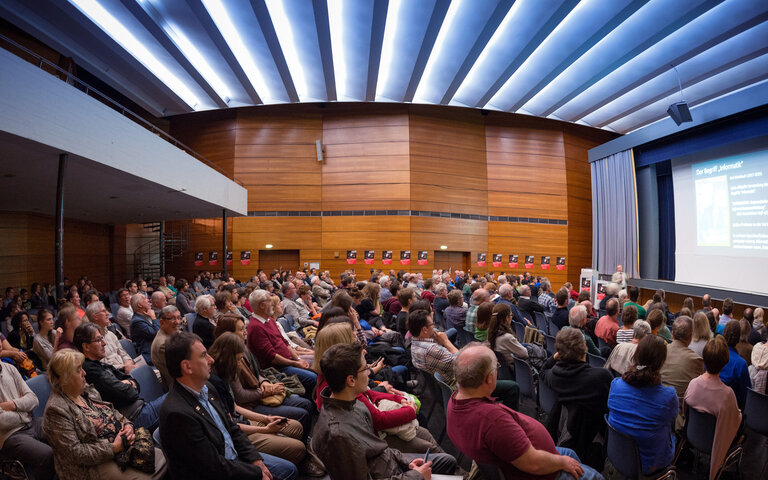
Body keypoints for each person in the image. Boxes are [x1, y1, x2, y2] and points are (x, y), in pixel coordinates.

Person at [447, 344, 603, 480]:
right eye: (496, 368)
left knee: (569, 453)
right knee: (595, 476)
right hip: (540, 473)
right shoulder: (492, 421)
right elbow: (533, 464)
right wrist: (561, 462)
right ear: (489, 378)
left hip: (533, 456)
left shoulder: (456, 400)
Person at [159, 332, 297, 480]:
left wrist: (255, 460)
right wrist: (256, 473)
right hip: (219, 471)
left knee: (289, 469)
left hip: (233, 459)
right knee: (287, 471)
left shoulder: (208, 387)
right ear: (187, 367)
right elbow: (212, 467)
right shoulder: (177, 414)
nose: (211, 360)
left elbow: (232, 427)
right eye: (203, 355)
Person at [312, 342, 457, 479]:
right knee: (446, 462)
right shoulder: (338, 435)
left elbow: (379, 448)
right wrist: (416, 476)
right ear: (351, 380)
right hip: (387, 473)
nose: (369, 372)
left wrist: (406, 462)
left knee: (447, 460)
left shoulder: (352, 401)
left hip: (390, 464)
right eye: (365, 369)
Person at [44, 349, 166, 480]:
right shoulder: (56, 410)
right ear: (64, 377)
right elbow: (76, 453)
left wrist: (128, 426)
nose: (84, 373)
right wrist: (114, 448)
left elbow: (113, 412)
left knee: (164, 459)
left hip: (119, 445)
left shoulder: (86, 391)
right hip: (93, 466)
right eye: (78, 370)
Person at [208, 332, 306, 465]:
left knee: (297, 427)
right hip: (238, 433)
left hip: (243, 420)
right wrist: (266, 429)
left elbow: (235, 406)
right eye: (237, 360)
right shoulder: (214, 382)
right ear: (226, 357)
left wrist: (266, 419)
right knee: (297, 447)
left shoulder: (226, 372)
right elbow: (230, 424)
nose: (238, 364)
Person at [409, 307, 520, 410]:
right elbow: (463, 363)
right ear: (424, 329)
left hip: (447, 385)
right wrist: (446, 342)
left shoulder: (414, 343)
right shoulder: (431, 350)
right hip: (462, 387)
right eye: (432, 325)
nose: (434, 327)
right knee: (512, 387)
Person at [540, 328, 613, 467]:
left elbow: (543, 371)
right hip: (595, 438)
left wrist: (555, 357)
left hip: (568, 437)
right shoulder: (601, 377)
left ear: (560, 353)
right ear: (584, 349)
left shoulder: (555, 376)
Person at [607, 335, 678, 475]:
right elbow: (670, 422)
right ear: (662, 362)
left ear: (636, 355)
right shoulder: (668, 396)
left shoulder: (615, 385)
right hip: (650, 464)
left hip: (616, 453)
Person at [74, 323, 166, 430]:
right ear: (86, 346)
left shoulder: (100, 364)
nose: (104, 343)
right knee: (175, 399)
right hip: (132, 420)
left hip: (140, 408)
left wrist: (129, 383)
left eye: (102, 338)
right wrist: (129, 384)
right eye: (99, 340)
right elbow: (130, 394)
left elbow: (133, 381)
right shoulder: (91, 371)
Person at [684, 336, 742, 480]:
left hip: (692, 436)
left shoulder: (693, 383)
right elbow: (734, 421)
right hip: (713, 442)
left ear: (704, 358)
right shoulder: (727, 395)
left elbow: (686, 411)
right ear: (725, 361)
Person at [247, 289, 316, 396]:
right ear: (261, 305)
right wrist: (296, 363)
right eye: (270, 301)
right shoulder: (256, 327)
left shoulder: (269, 320)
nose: (273, 305)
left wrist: (297, 359)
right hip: (278, 368)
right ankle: (313, 406)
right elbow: (272, 357)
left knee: (320, 364)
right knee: (312, 377)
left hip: (289, 361)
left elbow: (285, 343)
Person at [0, 355, 55, 480]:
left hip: (31, 422)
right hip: (9, 435)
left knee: (64, 428)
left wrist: (12, 405)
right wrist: (24, 410)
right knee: (47, 455)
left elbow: (33, 399)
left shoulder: (10, 368)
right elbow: (2, 422)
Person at [660, 316, 705, 408]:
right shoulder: (696, 360)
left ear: (672, 333)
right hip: (679, 414)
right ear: (691, 336)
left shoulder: (659, 350)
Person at [86, 301, 136, 373]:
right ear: (95, 317)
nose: (108, 314)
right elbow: (103, 365)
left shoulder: (111, 334)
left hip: (127, 370)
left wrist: (128, 363)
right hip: (115, 374)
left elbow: (124, 354)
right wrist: (124, 367)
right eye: (103, 311)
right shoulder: (93, 341)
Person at [719, 320, 751, 409]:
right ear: (738, 337)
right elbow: (744, 397)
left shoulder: (713, 353)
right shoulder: (740, 364)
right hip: (729, 413)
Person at [151, 305, 182, 387]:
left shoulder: (172, 332)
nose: (177, 322)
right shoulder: (163, 344)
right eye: (172, 318)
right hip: (179, 386)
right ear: (161, 322)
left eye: (178, 318)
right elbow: (181, 369)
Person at [129, 294, 159, 365]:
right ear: (139, 305)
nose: (148, 300)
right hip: (149, 354)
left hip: (154, 349)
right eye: (145, 299)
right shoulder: (137, 321)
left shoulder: (143, 317)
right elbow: (156, 334)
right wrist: (154, 318)